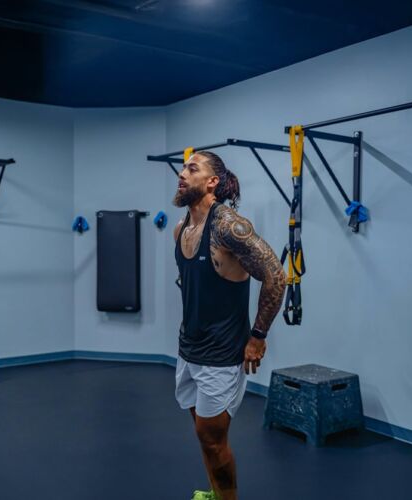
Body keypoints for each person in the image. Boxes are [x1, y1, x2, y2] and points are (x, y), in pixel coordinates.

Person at [172, 151, 286, 500]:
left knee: (214, 440)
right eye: (183, 168)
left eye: (193, 168)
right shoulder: (181, 229)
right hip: (189, 347)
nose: (182, 173)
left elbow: (276, 276)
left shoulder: (229, 226)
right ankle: (214, 493)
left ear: (212, 182)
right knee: (202, 435)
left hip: (221, 353)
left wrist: (258, 336)